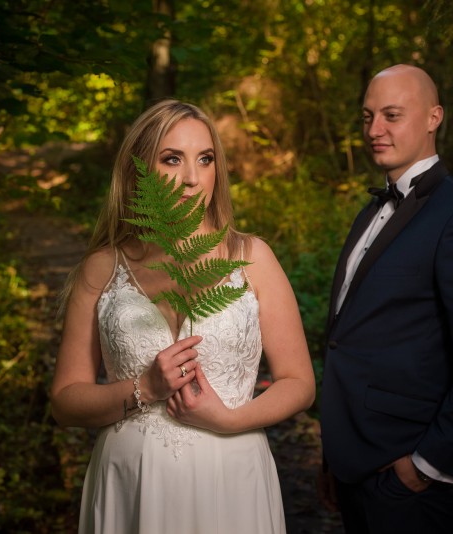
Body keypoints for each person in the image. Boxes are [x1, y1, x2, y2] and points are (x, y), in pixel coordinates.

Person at [51, 99, 315, 533]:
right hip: (132, 481)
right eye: (172, 159)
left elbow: (299, 383)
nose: (193, 177)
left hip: (231, 477)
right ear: (138, 173)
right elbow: (64, 401)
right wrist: (144, 387)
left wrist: (229, 419)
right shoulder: (103, 267)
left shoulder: (252, 257)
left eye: (205, 159)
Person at [316, 64, 453, 533]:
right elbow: (349, 340)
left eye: (391, 115)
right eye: (367, 117)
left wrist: (426, 465)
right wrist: (334, 458)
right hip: (352, 464)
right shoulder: (369, 212)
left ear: (433, 117)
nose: (374, 130)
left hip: (404, 477)